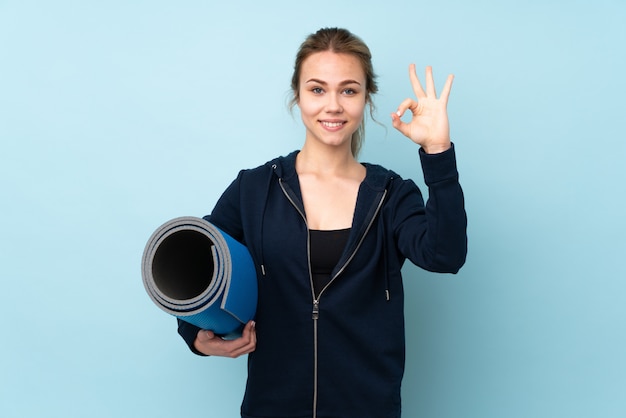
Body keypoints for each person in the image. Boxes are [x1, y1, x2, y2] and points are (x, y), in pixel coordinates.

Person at [177, 27, 467, 418]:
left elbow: (445, 255)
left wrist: (437, 153)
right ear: (297, 96)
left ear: (366, 99)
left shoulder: (391, 195)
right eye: (317, 89)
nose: (333, 105)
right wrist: (197, 336)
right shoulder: (254, 189)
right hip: (272, 406)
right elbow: (195, 268)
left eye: (349, 90)